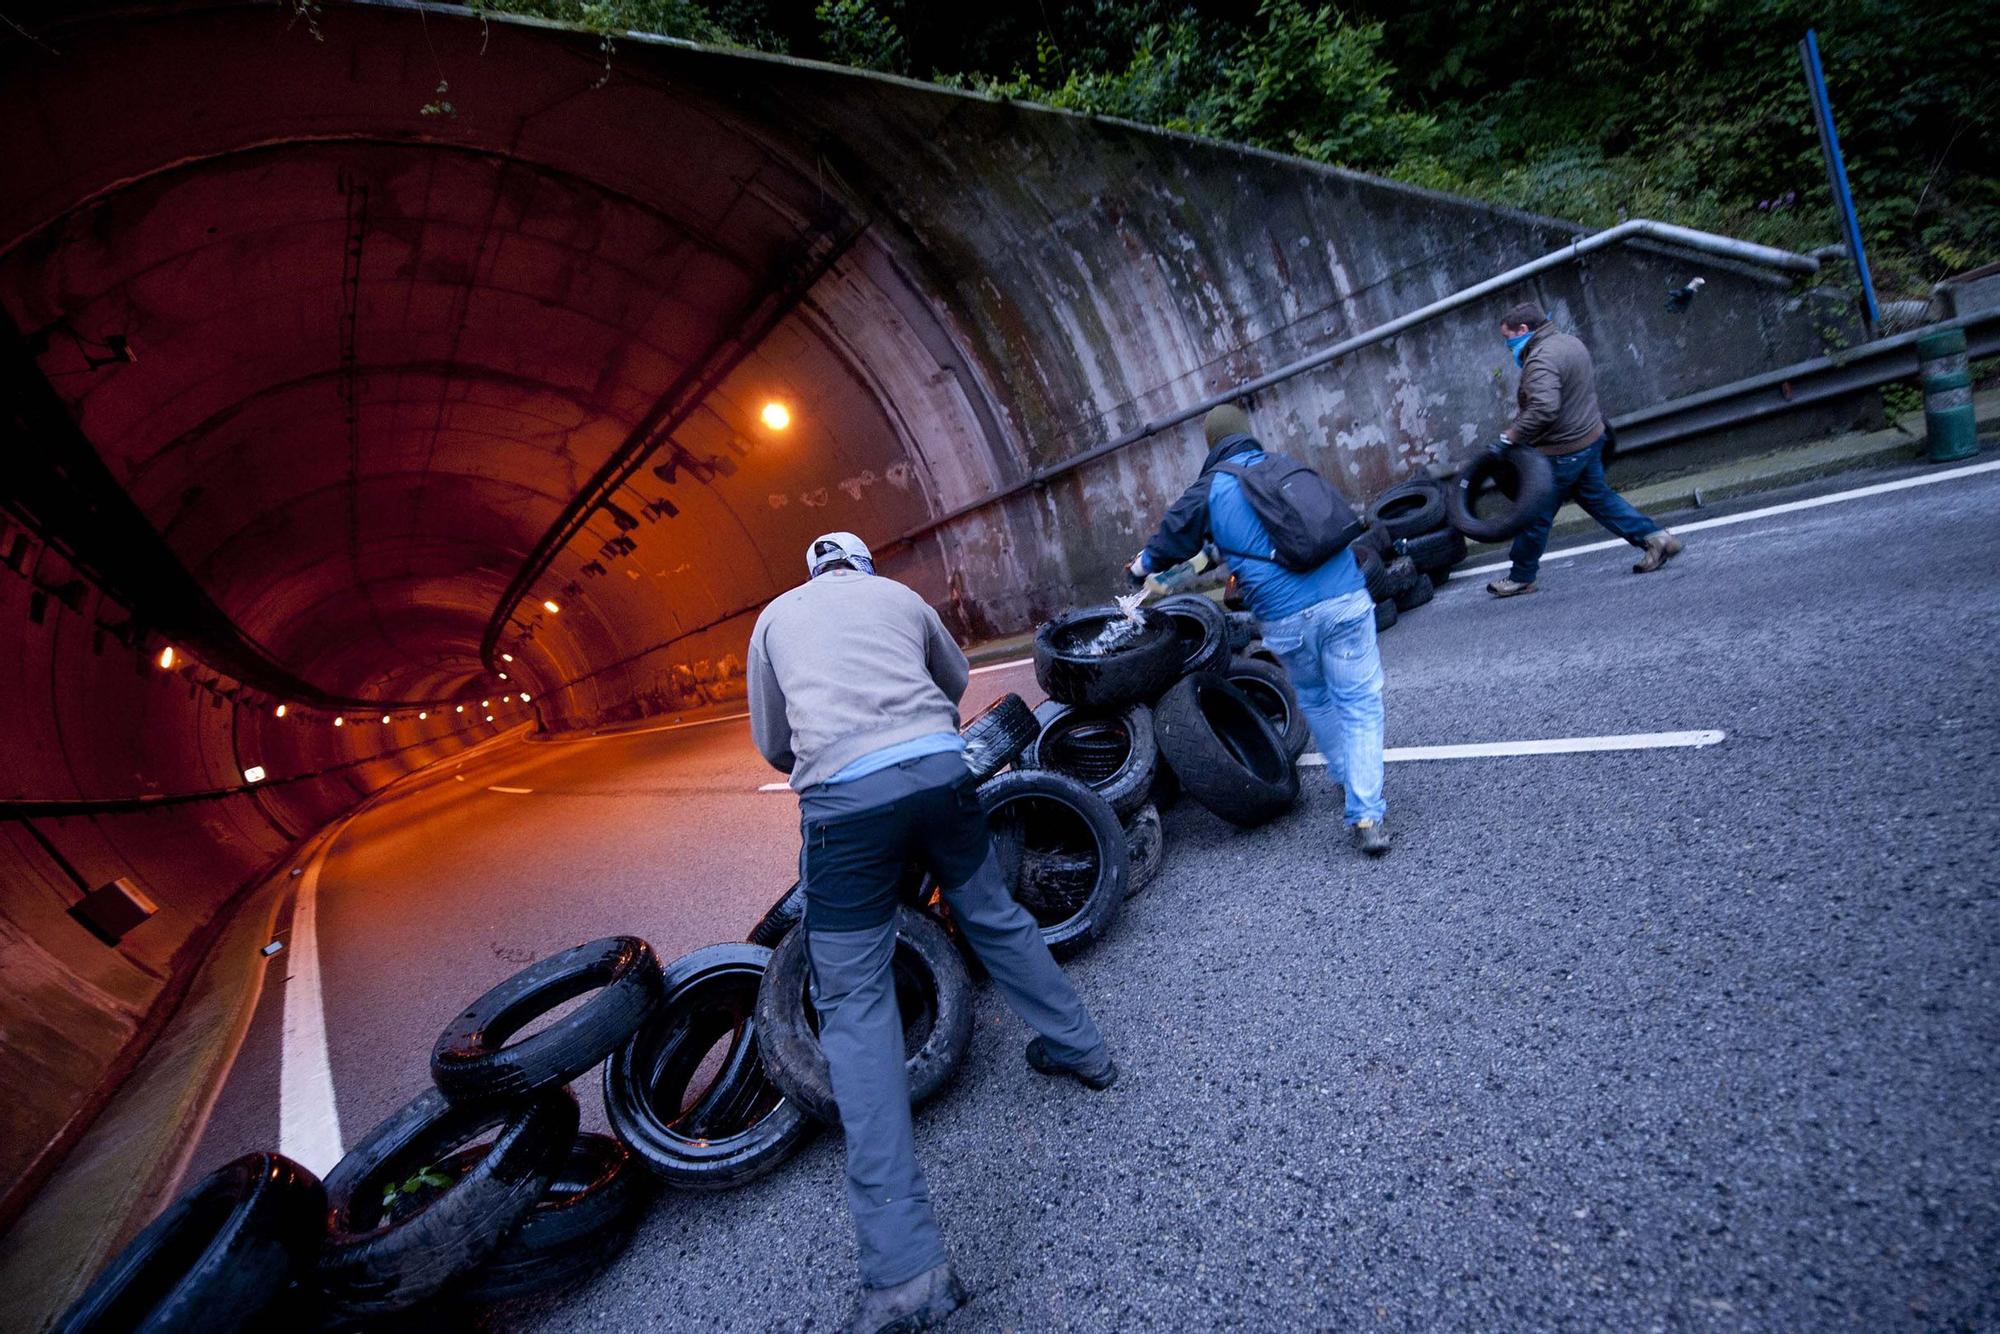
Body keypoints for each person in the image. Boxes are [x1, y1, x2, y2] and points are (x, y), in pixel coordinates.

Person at [747, 531, 1117, 1334]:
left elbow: (774, 745)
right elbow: (953, 684)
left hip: (844, 809)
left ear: (810, 574)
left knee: (853, 1001)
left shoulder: (775, 617)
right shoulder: (902, 600)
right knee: (992, 917)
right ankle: (1083, 1048)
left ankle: (905, 1273)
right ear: (865, 567)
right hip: (941, 774)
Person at [1126, 405, 1391, 858]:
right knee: (1360, 704)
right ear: (1247, 434)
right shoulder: (1286, 465)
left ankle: (1351, 779)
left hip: (1285, 618)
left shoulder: (1211, 489)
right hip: (1346, 598)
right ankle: (1366, 811)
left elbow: (1168, 543)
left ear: (1213, 444)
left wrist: (1140, 570)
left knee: (1315, 698)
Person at [1486, 302, 1684, 596]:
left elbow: (1543, 408)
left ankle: (1522, 576)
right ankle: (1655, 538)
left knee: (1534, 512)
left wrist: (1511, 436)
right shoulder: (1569, 342)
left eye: (1508, 338)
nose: (1508, 344)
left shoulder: (1540, 360)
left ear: (1524, 330)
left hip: (1562, 451)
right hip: (1590, 438)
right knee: (1598, 498)